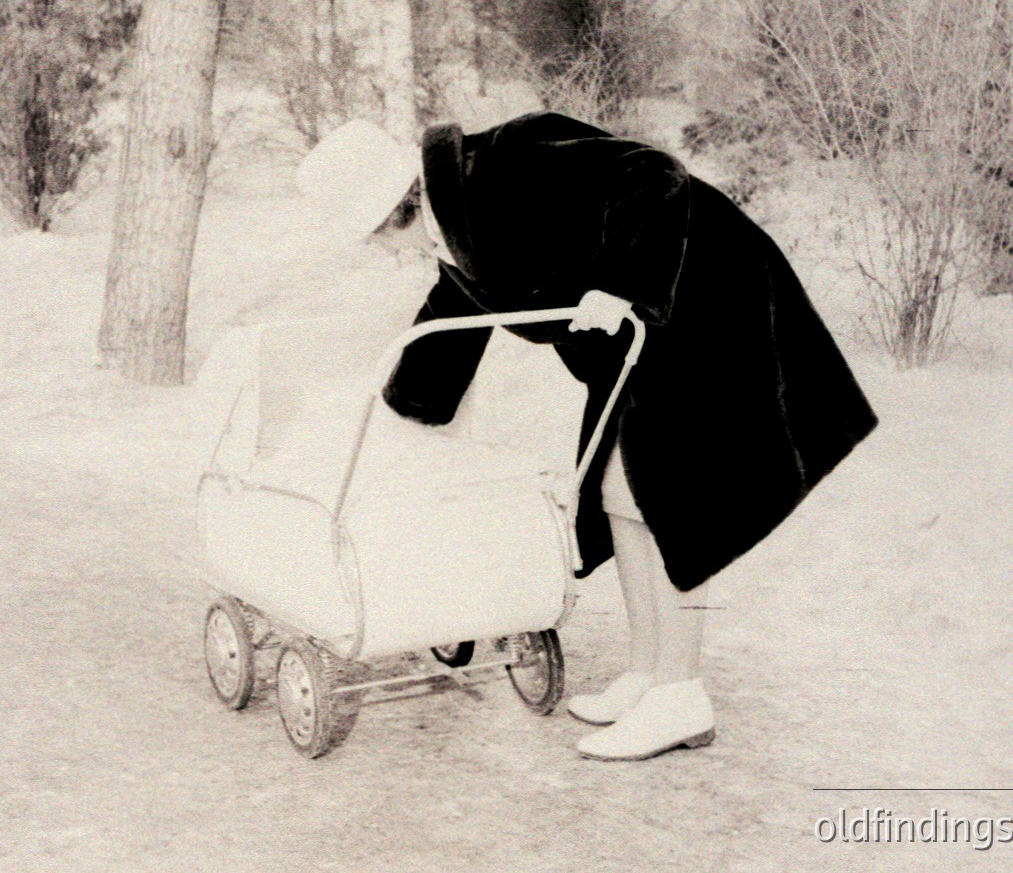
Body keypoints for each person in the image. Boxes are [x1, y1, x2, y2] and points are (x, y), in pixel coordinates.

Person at [298, 112, 878, 761]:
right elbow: (455, 308)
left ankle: (681, 692)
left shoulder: (510, 160)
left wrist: (622, 280)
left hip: (705, 296)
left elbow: (656, 176)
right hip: (643, 337)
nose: (377, 249)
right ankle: (649, 674)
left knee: (662, 493)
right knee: (614, 491)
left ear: (389, 214)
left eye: (371, 237)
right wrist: (405, 410)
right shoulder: (452, 222)